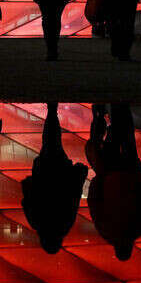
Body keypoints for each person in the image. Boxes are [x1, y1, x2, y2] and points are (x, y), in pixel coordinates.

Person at [84, 103, 141, 260]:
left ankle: (121, 109)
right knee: (113, 142)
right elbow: (94, 202)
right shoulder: (105, 229)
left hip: (132, 174)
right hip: (111, 176)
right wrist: (98, 180)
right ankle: (115, 109)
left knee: (127, 139)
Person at [20, 103, 89, 253]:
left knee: (54, 144)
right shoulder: (37, 223)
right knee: (50, 144)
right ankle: (52, 113)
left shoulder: (65, 224)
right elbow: (26, 201)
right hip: (43, 174)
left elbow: (73, 197)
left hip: (61, 173)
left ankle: (52, 113)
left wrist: (79, 176)